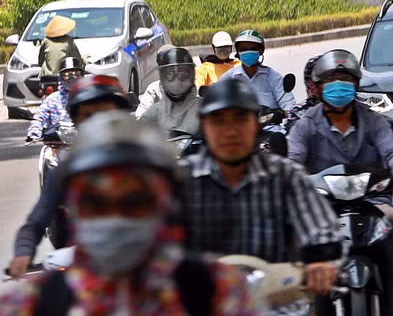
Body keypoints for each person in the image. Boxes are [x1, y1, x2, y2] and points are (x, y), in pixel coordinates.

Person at [2, 112, 259, 315]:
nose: (115, 219)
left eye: (135, 203)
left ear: (165, 204)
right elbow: (38, 218)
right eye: (97, 204)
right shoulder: (28, 306)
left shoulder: (220, 294)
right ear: (75, 209)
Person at [180, 76, 342, 298]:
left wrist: (320, 261)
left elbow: (320, 227)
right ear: (203, 127)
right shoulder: (179, 180)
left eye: (240, 119)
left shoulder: (286, 176)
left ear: (256, 125)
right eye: (218, 121)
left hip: (278, 305)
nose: (230, 131)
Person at [288, 50, 393, 316]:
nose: (339, 85)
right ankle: (312, 302)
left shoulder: (373, 120)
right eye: (331, 79)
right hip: (323, 209)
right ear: (319, 86)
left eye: (345, 79)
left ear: (356, 84)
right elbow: (292, 162)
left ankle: (391, 301)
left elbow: (391, 150)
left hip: (371, 203)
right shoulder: (306, 126)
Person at [8, 76, 135, 278]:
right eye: (87, 116)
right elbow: (37, 220)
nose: (97, 123)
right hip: (88, 270)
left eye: (105, 114)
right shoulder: (66, 172)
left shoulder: (147, 162)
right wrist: (23, 251)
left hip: (146, 267)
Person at [223, 29, 296, 112]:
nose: (248, 52)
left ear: (261, 51)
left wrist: (281, 113)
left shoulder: (273, 77)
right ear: (238, 53)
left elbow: (289, 105)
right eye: (244, 49)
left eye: (252, 48)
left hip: (270, 124)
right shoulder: (228, 78)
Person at [136, 46, 202, 136]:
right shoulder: (154, 112)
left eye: (182, 74)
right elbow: (137, 134)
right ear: (162, 76)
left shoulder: (204, 108)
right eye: (170, 74)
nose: (177, 81)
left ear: (192, 75)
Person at [25, 56, 86, 142]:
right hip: (57, 145)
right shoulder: (52, 99)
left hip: (85, 145)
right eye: (66, 75)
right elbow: (40, 117)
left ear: (82, 76)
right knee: (47, 154)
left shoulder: (89, 97)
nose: (71, 78)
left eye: (75, 74)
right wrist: (34, 133)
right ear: (60, 77)